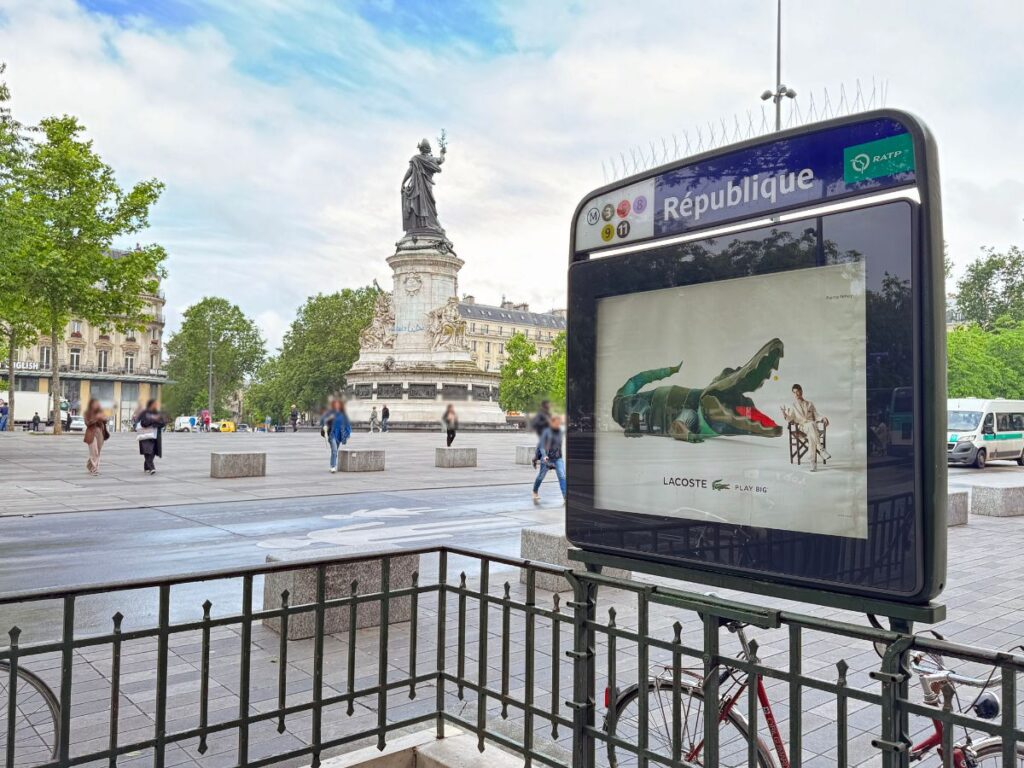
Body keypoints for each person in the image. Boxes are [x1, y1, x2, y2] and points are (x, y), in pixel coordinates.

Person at [781, 384, 831, 472]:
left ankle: (812, 463)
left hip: (812, 428)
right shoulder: (793, 406)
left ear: (801, 391)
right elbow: (790, 418)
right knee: (811, 425)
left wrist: (823, 418)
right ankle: (821, 449)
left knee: (811, 435)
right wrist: (785, 415)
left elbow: (816, 415)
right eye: (794, 393)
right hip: (801, 428)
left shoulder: (809, 404)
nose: (796, 394)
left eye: (797, 392)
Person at [533, 414, 566, 502]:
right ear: (552, 423)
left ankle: (565, 496)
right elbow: (542, 446)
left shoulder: (560, 432)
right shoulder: (546, 432)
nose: (558, 425)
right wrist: (544, 456)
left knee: (562, 476)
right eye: (556, 423)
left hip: (558, 458)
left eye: (559, 423)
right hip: (547, 459)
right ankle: (535, 491)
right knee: (541, 477)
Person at [320, 399, 352, 473]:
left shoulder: (343, 414)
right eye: (335, 404)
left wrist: (348, 433)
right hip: (332, 434)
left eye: (338, 404)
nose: (337, 406)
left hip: (339, 435)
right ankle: (333, 466)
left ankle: (332, 464)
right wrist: (325, 425)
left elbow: (347, 424)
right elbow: (324, 421)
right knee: (334, 450)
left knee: (334, 451)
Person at [137, 399, 166, 474]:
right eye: (154, 404)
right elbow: (143, 423)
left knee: (152, 452)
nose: (156, 405)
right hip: (146, 435)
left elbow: (163, 423)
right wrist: (153, 421)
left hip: (155, 436)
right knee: (147, 451)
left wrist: (155, 422)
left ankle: (146, 466)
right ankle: (152, 468)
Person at [83, 398, 109, 475]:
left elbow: (106, 420)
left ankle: (89, 465)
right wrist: (96, 418)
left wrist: (104, 418)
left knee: (98, 452)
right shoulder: (87, 413)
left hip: (100, 432)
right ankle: (95, 469)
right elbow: (87, 423)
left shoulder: (100, 412)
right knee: (95, 452)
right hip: (91, 433)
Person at [530, 400, 552, 467]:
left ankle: (535, 458)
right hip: (542, 432)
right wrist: (545, 422)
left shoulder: (548, 414)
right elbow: (536, 423)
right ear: (544, 405)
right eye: (548, 404)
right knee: (543, 446)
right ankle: (546, 460)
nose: (549, 405)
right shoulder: (540, 414)